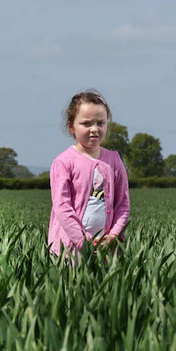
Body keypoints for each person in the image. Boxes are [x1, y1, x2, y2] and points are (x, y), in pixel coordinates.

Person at [48, 90, 130, 259]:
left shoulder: (114, 160)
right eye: (86, 124)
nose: (94, 129)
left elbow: (123, 204)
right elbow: (62, 207)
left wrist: (114, 235)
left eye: (100, 123)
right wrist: (83, 241)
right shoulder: (63, 162)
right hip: (70, 247)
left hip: (106, 246)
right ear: (71, 127)